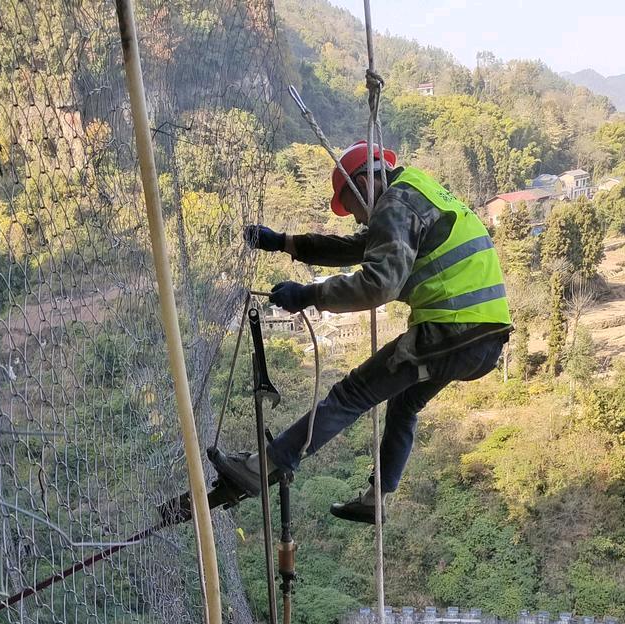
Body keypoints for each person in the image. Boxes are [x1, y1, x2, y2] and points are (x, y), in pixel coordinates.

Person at [213, 141, 512, 523]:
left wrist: (309, 294)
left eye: (349, 204)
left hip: (452, 331)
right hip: (483, 340)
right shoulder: (415, 191)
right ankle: (377, 499)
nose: (355, 218)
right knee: (404, 403)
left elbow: (378, 285)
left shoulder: (396, 203)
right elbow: (361, 246)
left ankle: (263, 467)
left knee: (353, 392)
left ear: (363, 182)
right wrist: (284, 243)